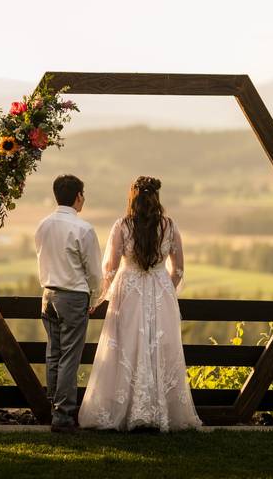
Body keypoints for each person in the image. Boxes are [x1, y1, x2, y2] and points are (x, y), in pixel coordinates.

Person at [78, 175, 202, 432]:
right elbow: (178, 269)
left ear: (132, 196)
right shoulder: (169, 226)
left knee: (125, 347)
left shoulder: (122, 225)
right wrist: (165, 289)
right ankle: (160, 412)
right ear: (156, 197)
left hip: (129, 292)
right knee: (159, 348)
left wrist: (102, 297)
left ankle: (123, 410)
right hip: (160, 291)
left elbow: (110, 269)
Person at [35, 174, 102, 433]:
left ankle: (53, 407)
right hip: (73, 296)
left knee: (53, 352)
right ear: (78, 196)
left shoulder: (43, 225)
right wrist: (94, 298)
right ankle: (63, 416)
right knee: (70, 357)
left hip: (48, 294)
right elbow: (94, 272)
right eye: (83, 194)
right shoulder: (83, 229)